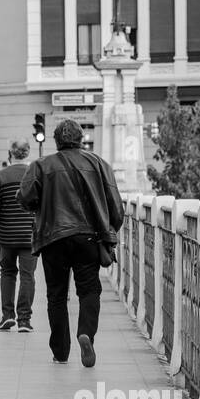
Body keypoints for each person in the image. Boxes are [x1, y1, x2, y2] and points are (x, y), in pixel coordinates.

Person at [18, 119, 123, 368]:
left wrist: (39, 206)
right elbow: (115, 207)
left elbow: (24, 197)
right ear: (81, 138)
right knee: (89, 289)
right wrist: (110, 232)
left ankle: (60, 352)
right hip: (88, 237)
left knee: (56, 295)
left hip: (53, 237)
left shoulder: (41, 166)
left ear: (56, 140)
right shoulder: (99, 164)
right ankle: (85, 333)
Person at [0, 140, 37, 332]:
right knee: (28, 276)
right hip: (30, 236)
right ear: (28, 152)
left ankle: (7, 316)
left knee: (7, 273)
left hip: (7, 236)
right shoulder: (35, 175)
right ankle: (24, 320)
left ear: (10, 154)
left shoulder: (1, 176)